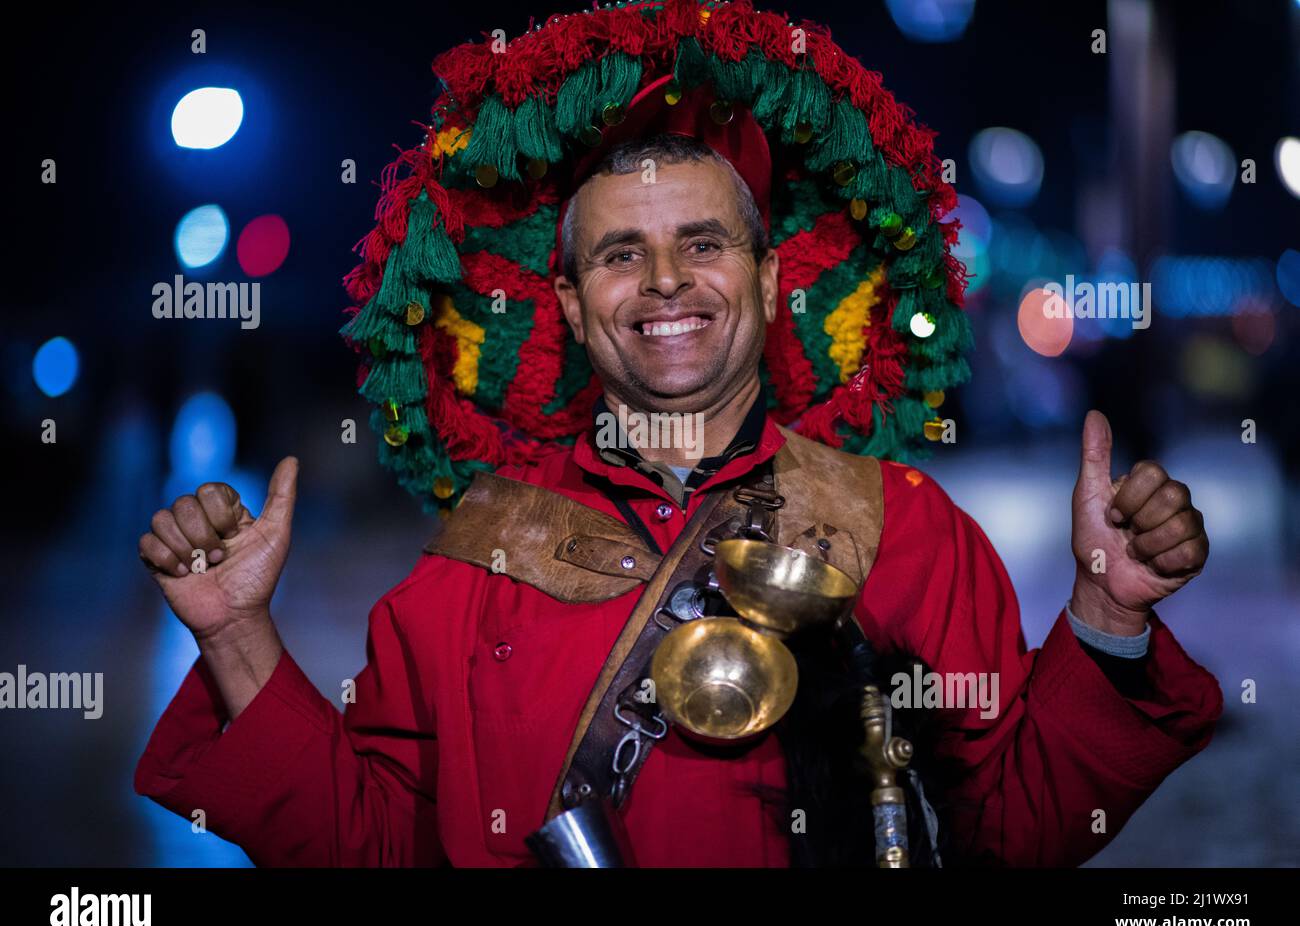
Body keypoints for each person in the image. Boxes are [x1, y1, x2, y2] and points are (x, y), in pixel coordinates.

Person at [134, 0, 1221, 867]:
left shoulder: (902, 529)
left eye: (703, 244)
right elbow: (372, 847)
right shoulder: (473, 558)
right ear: (565, 304)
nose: (664, 283)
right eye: (619, 254)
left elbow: (1018, 832)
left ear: (768, 275)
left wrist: (1105, 613)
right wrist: (235, 636)